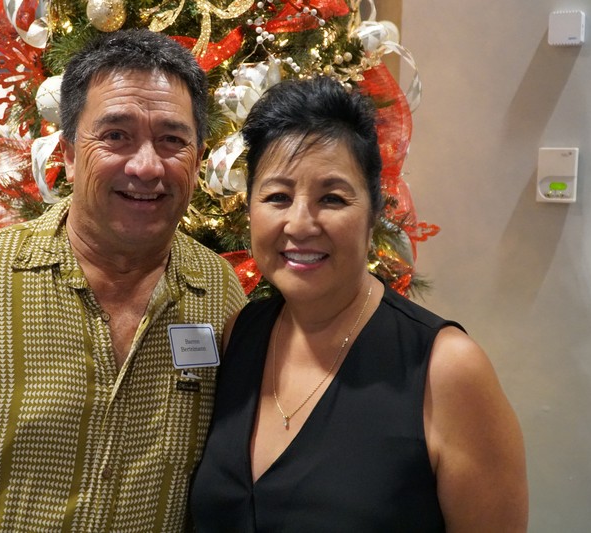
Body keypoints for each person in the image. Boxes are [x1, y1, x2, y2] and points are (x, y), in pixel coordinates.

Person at [0, 28, 246, 532]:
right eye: (115, 135)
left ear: (198, 160)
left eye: (172, 140)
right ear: (68, 155)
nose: (146, 166)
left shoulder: (219, 292)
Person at [190, 76, 528, 531]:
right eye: (277, 197)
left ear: (373, 215)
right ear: (250, 210)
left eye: (332, 198)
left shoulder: (446, 368)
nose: (300, 224)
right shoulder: (241, 333)